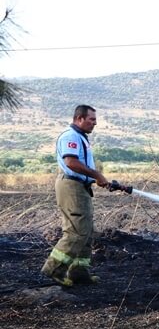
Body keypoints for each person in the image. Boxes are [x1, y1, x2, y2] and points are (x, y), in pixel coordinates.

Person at [41, 104, 109, 286]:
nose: (95, 123)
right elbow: (71, 162)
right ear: (79, 118)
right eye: (91, 119)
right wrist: (97, 175)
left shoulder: (80, 137)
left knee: (85, 231)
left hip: (80, 186)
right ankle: (54, 269)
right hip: (71, 186)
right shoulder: (71, 136)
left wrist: (95, 179)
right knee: (76, 231)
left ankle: (78, 272)